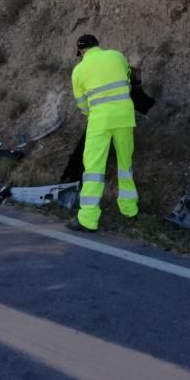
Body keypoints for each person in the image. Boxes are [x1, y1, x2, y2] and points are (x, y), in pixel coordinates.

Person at [67, 34, 138, 232]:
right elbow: (129, 80)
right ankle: (129, 210)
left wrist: (95, 112)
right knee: (125, 165)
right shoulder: (117, 56)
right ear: (97, 45)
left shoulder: (78, 70)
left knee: (93, 169)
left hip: (100, 122)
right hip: (124, 117)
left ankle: (88, 219)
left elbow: (82, 105)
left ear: (81, 51)